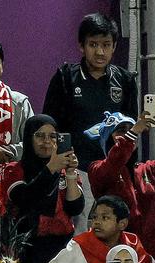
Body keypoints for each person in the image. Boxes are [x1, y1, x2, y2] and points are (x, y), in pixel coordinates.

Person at [86, 108, 155, 263]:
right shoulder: (97, 169)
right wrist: (134, 132)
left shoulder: (149, 168)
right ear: (108, 139)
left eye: (130, 130)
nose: (128, 134)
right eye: (121, 130)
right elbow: (114, 163)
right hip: (120, 256)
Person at [42, 13, 138, 168]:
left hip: (112, 170)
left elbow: (130, 131)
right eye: (93, 44)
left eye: (106, 45)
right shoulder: (65, 77)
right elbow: (49, 126)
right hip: (74, 169)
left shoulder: (125, 80)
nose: (100, 52)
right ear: (81, 46)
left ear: (114, 46)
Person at [0, 115, 83, 263]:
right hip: (25, 249)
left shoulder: (64, 171)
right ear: (29, 138)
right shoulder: (14, 170)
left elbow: (75, 208)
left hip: (61, 249)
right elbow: (26, 199)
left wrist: (70, 173)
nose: (47, 141)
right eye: (39, 135)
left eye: (52, 136)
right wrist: (51, 169)